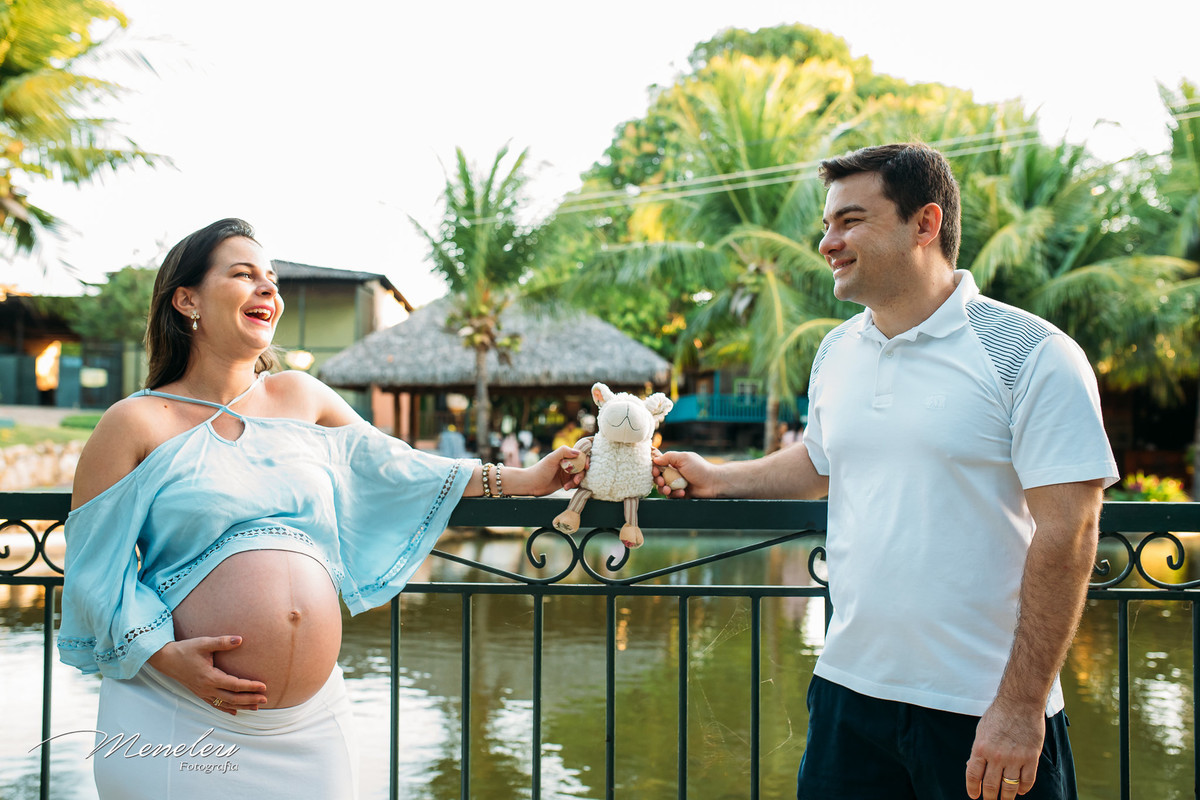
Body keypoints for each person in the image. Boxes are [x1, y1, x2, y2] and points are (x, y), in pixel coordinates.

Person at [653, 144, 1118, 800]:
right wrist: (719, 477)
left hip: (982, 708)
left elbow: (1070, 533)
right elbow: (821, 460)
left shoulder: (1034, 353)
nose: (827, 243)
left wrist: (1019, 706)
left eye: (850, 221)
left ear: (924, 224)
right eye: (827, 224)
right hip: (847, 697)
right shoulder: (836, 349)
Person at [58, 218, 580, 799]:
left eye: (272, 280)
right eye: (243, 275)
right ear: (187, 300)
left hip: (309, 729)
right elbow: (93, 570)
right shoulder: (133, 422)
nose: (268, 289)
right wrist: (161, 656)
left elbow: (400, 468)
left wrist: (527, 480)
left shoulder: (300, 395)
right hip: (177, 708)